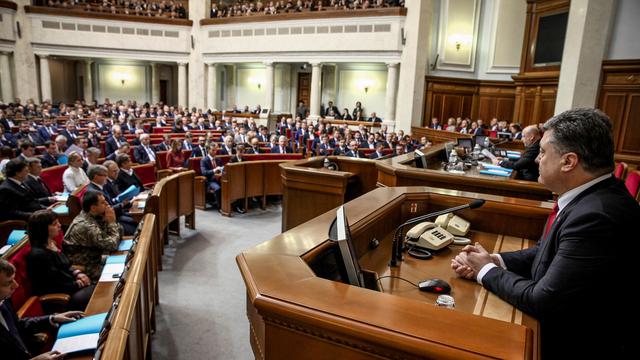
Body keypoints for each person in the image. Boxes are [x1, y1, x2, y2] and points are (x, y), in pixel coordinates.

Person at [451, 108, 639, 358]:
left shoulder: (597, 217)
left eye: (542, 152)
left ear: (568, 161)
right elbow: (546, 251)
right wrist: (495, 261)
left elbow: (544, 301)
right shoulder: (591, 196)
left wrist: (485, 271)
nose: (537, 159)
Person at [0, 259, 85, 360]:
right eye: (8, 283)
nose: (16, 285)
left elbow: (17, 326)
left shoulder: (4, 299)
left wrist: (53, 318)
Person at [26, 210, 94, 310]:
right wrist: (77, 283)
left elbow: (66, 265)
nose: (59, 225)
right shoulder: (38, 255)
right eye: (54, 224)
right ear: (42, 229)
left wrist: (77, 273)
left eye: (58, 222)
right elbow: (53, 282)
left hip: (70, 286)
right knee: (100, 291)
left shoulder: (51, 243)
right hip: (58, 297)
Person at [63, 191, 122, 282]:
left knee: (126, 260)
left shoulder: (94, 215)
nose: (107, 204)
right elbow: (112, 245)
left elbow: (119, 235)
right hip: (85, 268)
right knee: (123, 274)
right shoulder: (85, 226)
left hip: (96, 259)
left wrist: (110, 221)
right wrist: (112, 223)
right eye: (102, 202)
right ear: (93, 208)